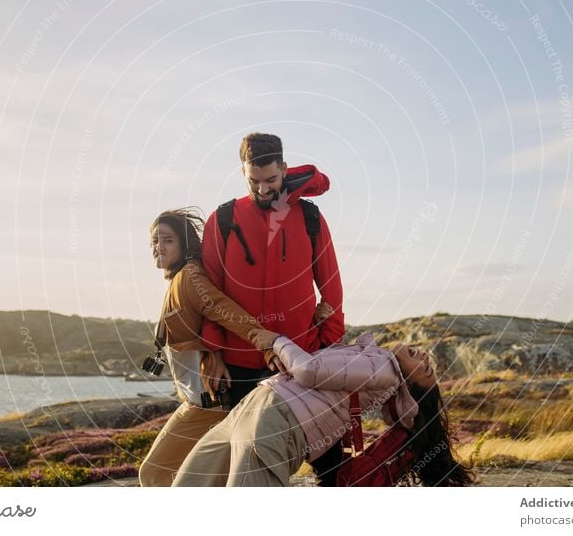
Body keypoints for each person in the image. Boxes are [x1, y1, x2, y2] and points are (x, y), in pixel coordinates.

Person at [200, 132, 346, 484]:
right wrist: (213, 355)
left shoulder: (311, 219)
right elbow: (209, 296)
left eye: (271, 180)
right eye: (254, 181)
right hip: (240, 364)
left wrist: (325, 344)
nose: (263, 189)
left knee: (331, 461)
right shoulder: (221, 221)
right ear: (242, 173)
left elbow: (333, 290)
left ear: (284, 168)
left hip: (302, 358)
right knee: (247, 463)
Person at [172, 332, 474, 487]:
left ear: (409, 385)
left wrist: (276, 341)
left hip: (273, 419)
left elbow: (310, 369)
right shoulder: (377, 362)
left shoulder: (385, 366)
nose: (424, 357)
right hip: (257, 410)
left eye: (426, 369)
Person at [138, 208, 278, 487]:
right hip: (197, 401)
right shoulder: (178, 279)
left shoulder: (189, 277)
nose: (158, 247)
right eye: (154, 241)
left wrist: (269, 343)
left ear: (185, 244)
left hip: (209, 404)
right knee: (200, 479)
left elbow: (222, 309)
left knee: (154, 474)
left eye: (167, 240)